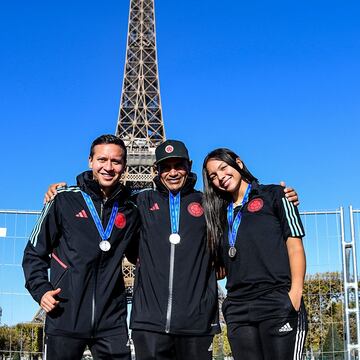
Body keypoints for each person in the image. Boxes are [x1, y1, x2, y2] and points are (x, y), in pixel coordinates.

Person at [44, 139, 299, 360]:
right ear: (156, 171)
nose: (173, 172)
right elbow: (104, 193)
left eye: (179, 165)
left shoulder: (209, 202)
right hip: (149, 324)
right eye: (166, 167)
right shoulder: (139, 201)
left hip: (197, 323)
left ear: (189, 167)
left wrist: (281, 195)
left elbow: (238, 217)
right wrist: (61, 191)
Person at [22, 134, 140, 360]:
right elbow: (34, 252)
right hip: (65, 312)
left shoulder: (132, 209)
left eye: (116, 161)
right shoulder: (64, 200)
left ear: (124, 165)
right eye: (102, 160)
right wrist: (41, 290)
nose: (108, 167)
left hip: (111, 320)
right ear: (90, 161)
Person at [202, 148, 307, 360]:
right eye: (213, 176)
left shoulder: (276, 195)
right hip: (239, 308)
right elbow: (223, 269)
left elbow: (295, 246)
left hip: (276, 300)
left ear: (239, 164)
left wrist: (295, 295)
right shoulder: (218, 215)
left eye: (224, 168)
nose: (220, 177)